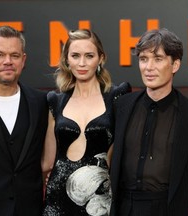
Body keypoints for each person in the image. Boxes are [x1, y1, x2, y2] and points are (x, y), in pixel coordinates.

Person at [109, 28, 188, 216]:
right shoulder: (122, 106)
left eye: (157, 59)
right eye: (143, 59)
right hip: (125, 207)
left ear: (175, 65)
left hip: (170, 208)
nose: (149, 67)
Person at [41, 29, 131, 216]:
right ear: (67, 60)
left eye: (89, 56)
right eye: (75, 56)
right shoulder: (55, 101)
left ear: (101, 58)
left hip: (99, 198)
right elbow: (48, 163)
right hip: (58, 197)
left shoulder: (117, 97)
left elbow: (122, 152)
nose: (82, 63)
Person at [0, 26, 48, 216]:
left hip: (29, 210)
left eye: (14, 55)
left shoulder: (40, 102)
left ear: (23, 60)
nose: (8, 61)